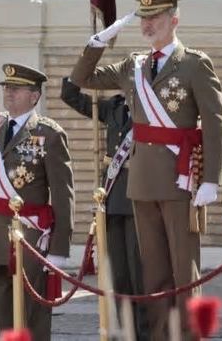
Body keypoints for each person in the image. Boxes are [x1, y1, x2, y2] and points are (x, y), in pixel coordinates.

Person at [69, 0, 222, 340]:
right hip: (140, 182)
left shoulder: (194, 64)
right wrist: (98, 41)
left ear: (175, 19)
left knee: (184, 272)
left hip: (179, 178)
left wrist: (212, 179)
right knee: (152, 274)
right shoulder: (132, 66)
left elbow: (215, 123)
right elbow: (82, 79)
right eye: (143, 18)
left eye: (155, 17)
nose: (147, 24)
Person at [0, 64, 74, 340]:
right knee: (3, 316)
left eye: (16, 89)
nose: (9, 93)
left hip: (30, 238)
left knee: (31, 319)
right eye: (6, 88)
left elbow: (63, 194)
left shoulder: (49, 134)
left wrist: (59, 248)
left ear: (34, 96)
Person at [60, 77, 147, 339]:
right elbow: (72, 96)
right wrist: (87, 61)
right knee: (118, 271)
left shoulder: (153, 109)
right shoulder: (112, 107)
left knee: (139, 273)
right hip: (111, 196)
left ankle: (144, 331)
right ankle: (123, 329)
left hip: (140, 197)